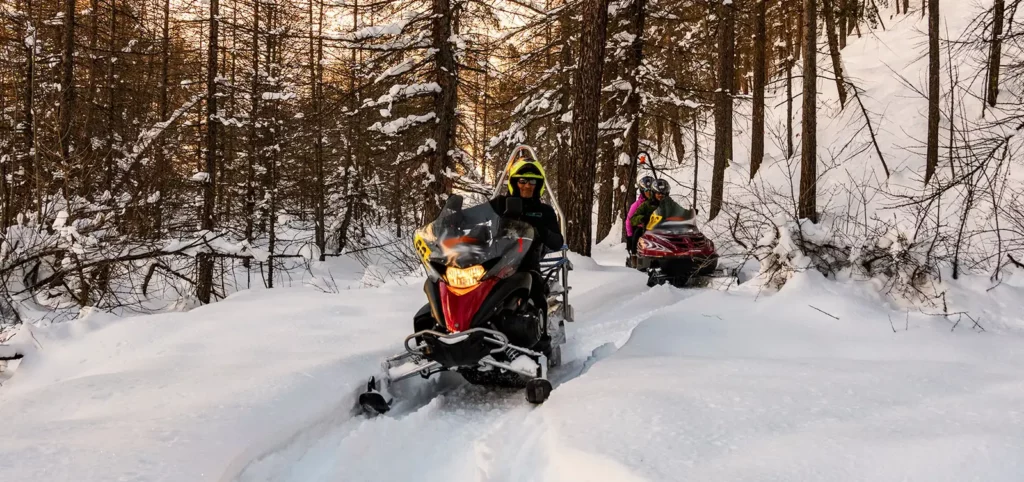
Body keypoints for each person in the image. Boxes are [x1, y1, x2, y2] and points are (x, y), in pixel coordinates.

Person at [489, 152, 564, 272]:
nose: (528, 186)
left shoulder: (544, 210)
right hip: (495, 264)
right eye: (522, 181)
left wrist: (540, 229)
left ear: (538, 184)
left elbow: (557, 243)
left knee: (534, 284)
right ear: (515, 182)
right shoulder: (500, 203)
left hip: (529, 267)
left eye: (532, 181)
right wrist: (456, 216)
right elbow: (474, 215)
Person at [625, 176, 655, 267]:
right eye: (646, 191)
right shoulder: (637, 205)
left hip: (657, 227)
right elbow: (629, 220)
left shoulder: (658, 201)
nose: (649, 193)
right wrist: (630, 235)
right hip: (642, 228)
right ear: (642, 191)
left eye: (651, 191)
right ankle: (634, 257)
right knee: (637, 235)